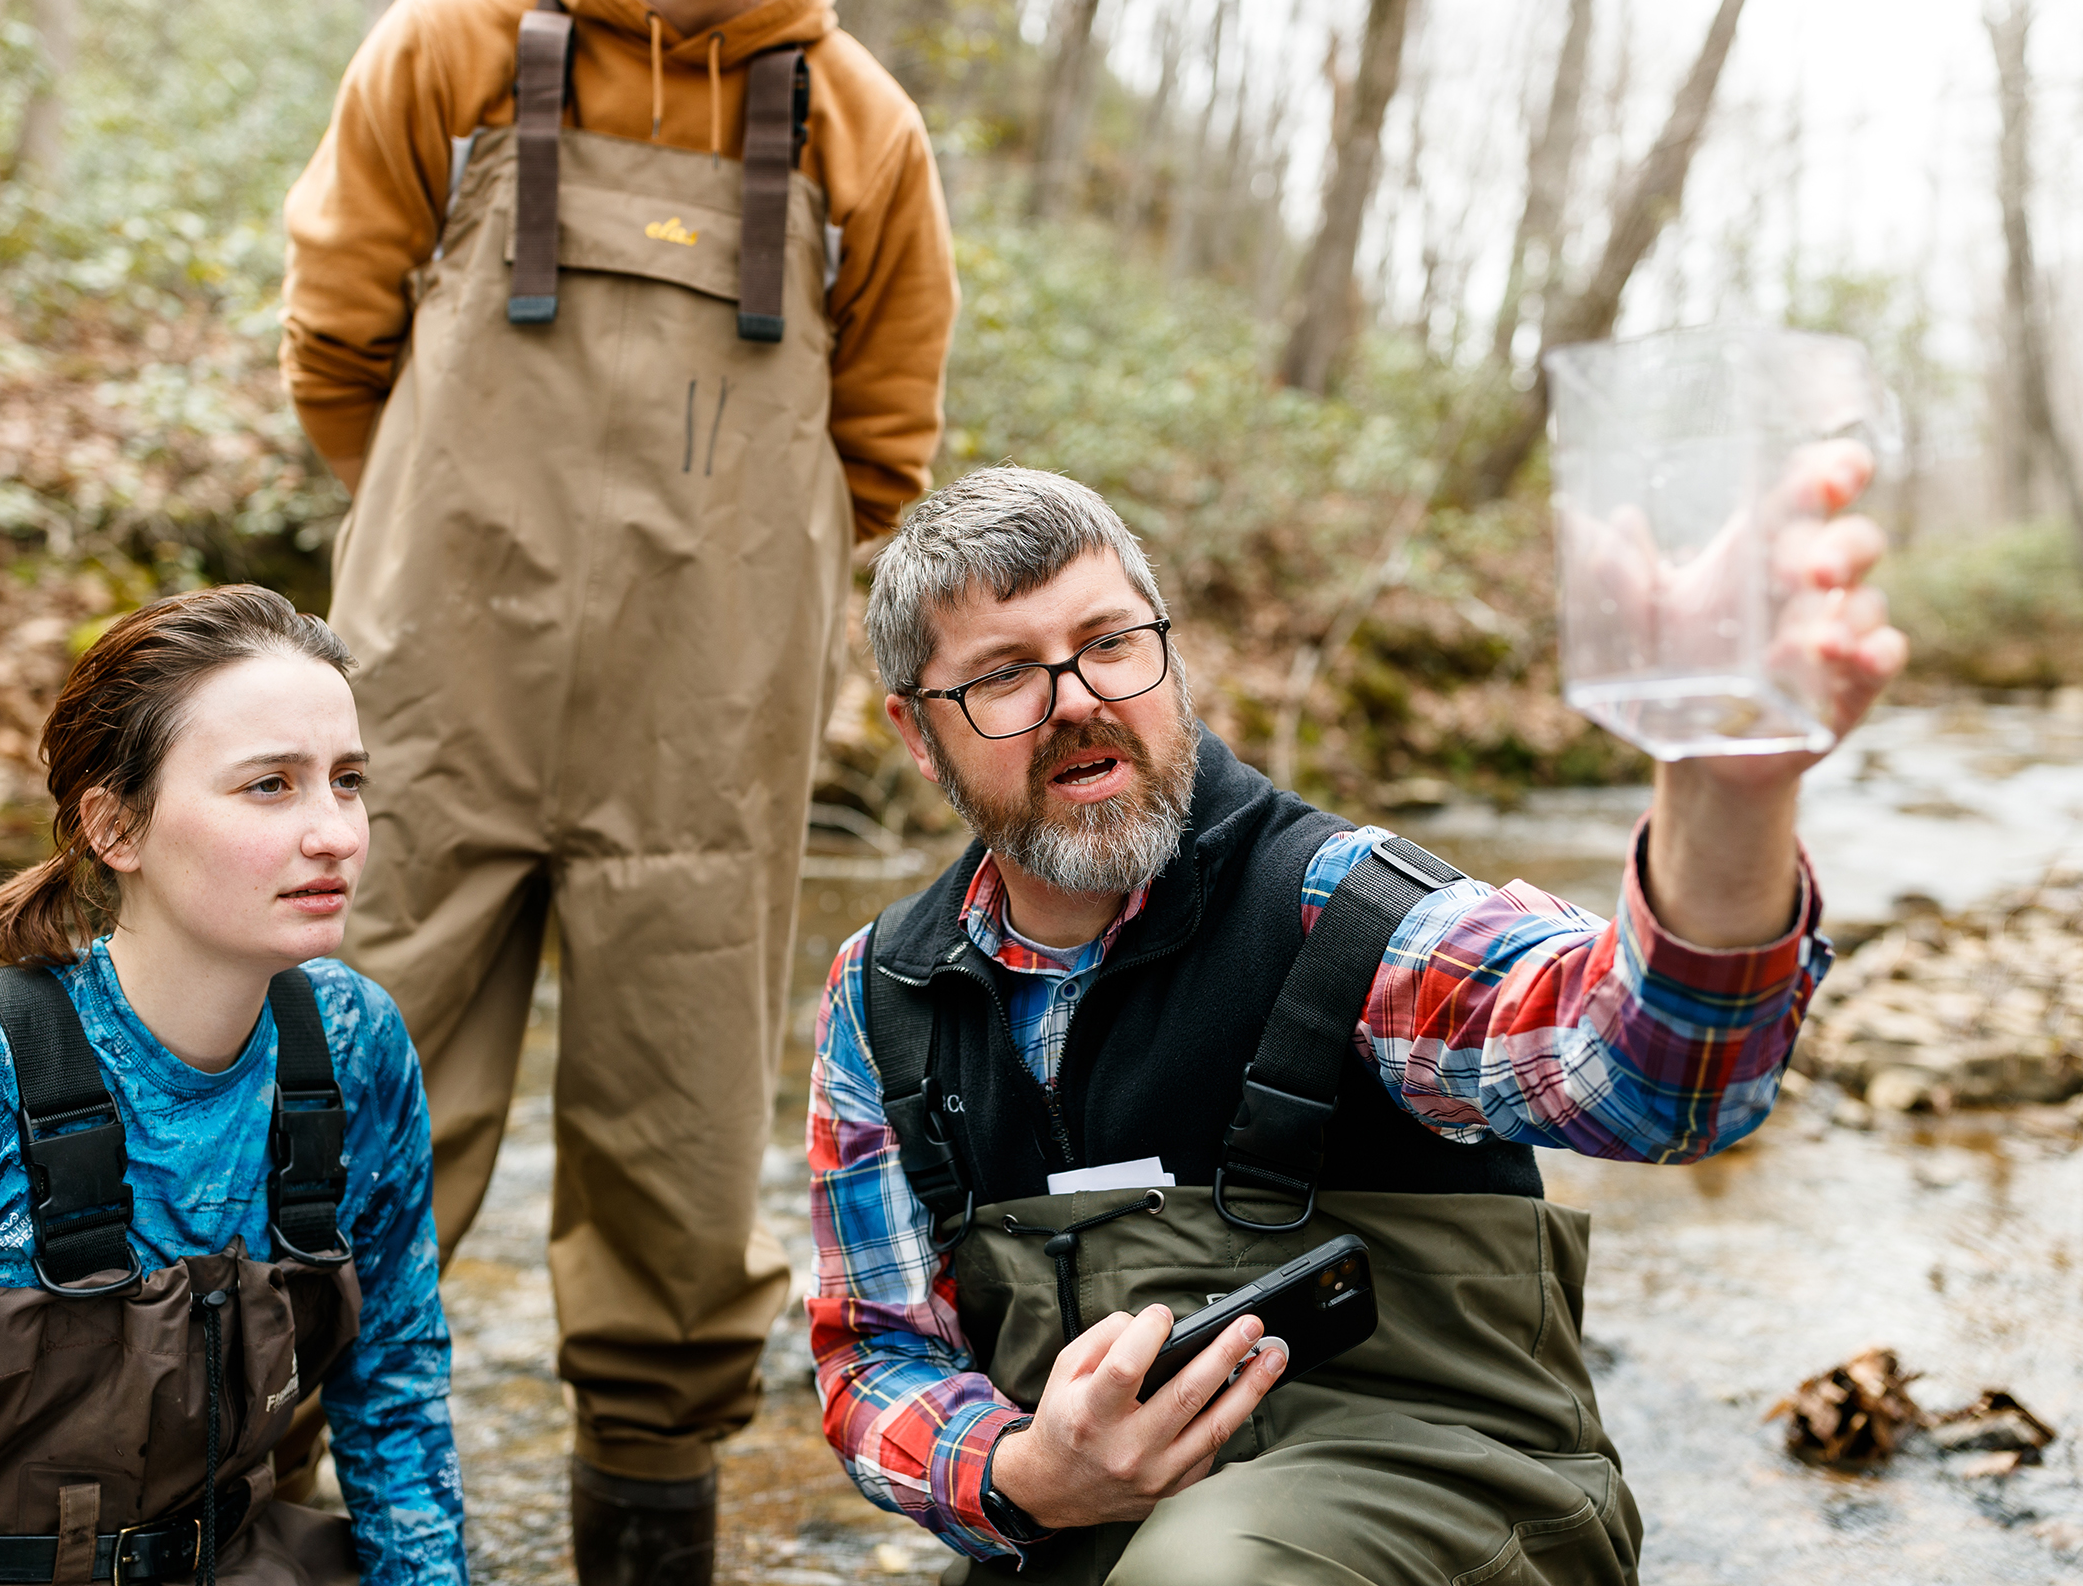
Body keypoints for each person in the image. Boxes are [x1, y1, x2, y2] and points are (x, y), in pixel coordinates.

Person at [806, 464, 1907, 1584]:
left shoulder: (1348, 913)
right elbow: (874, 1351)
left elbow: (1649, 1077)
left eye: (1109, 642)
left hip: (1458, 1507)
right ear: (916, 733)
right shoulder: (880, 997)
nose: (1080, 698)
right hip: (1085, 1536)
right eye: (1004, 676)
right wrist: (1022, 1474)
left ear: (1167, 652)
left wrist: (1722, 792)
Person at [279, 0, 955, 1572]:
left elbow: (882, 451)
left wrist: (731, 598)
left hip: (708, 715)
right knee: (336, 1102)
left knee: (682, 1147)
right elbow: (335, 339)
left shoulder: (863, 126)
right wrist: (431, 548)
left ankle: (648, 1518)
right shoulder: (446, 50)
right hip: (433, 685)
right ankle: (251, 1505)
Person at [0, 586, 463, 1586]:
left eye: (347, 781)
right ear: (115, 827)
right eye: (270, 785)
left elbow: (395, 1405)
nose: (337, 831)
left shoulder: (352, 1043)